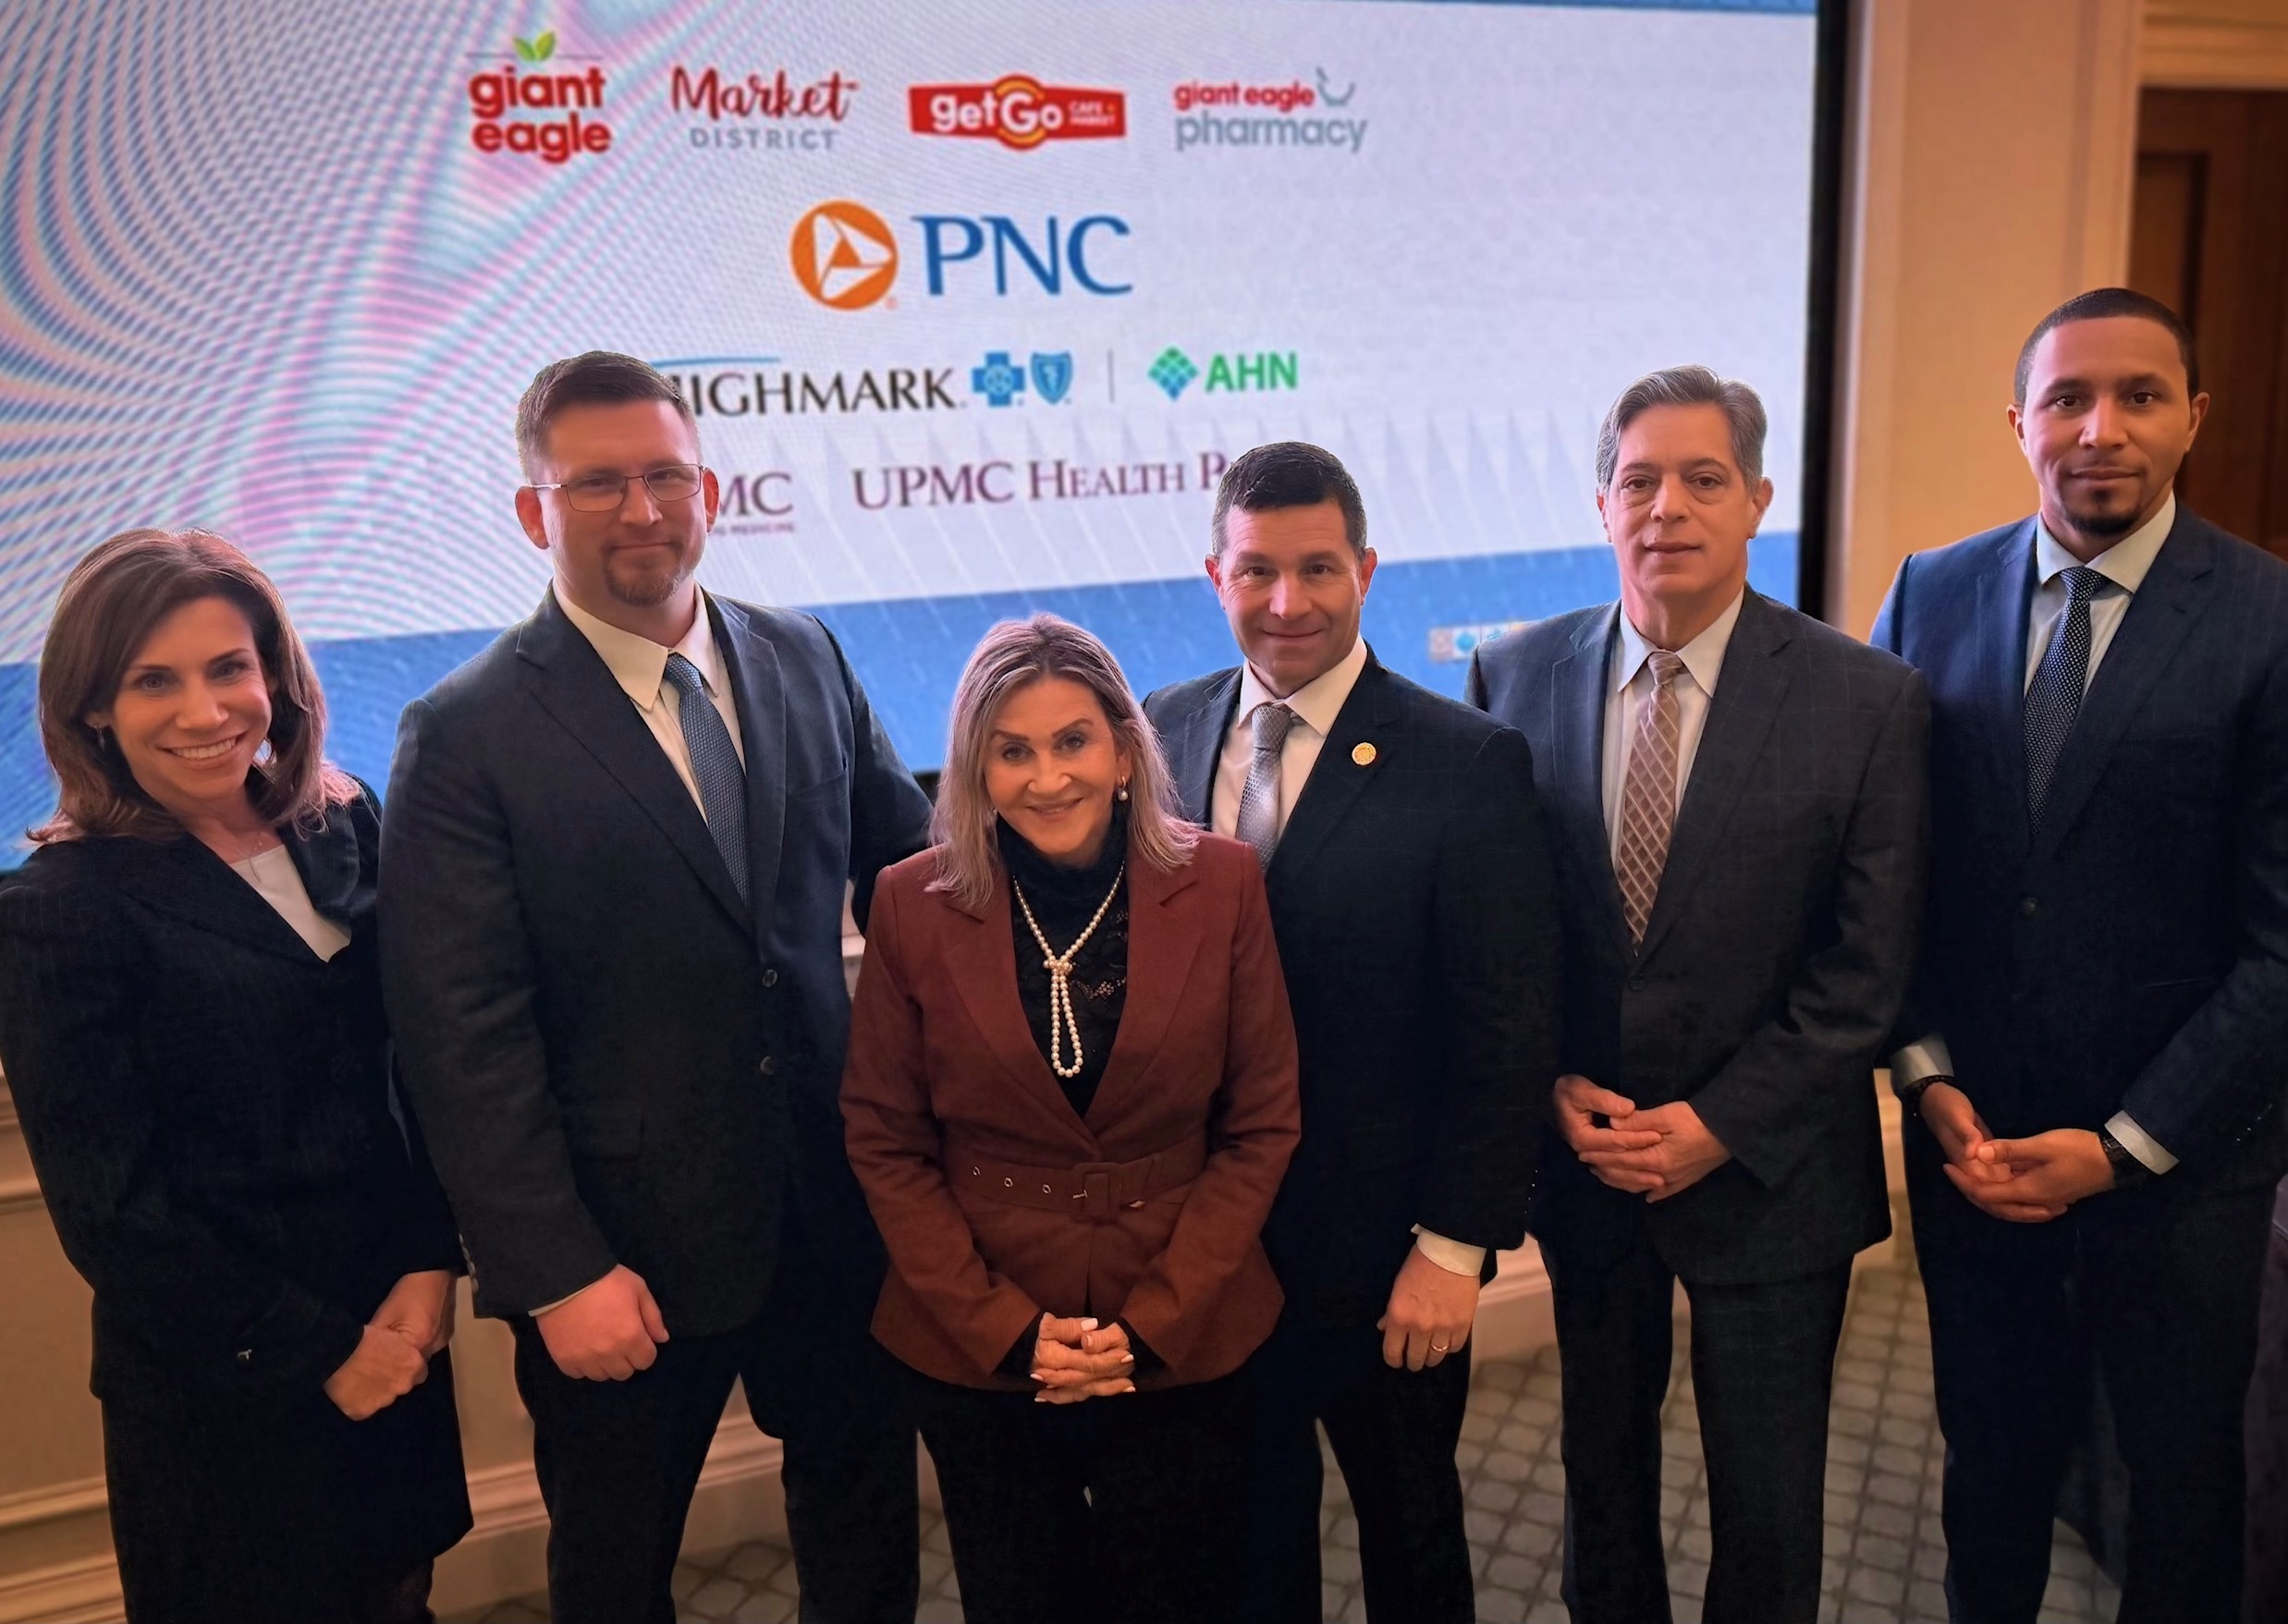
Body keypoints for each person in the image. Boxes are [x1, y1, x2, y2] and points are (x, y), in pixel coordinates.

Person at [378, 352, 933, 1624]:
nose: (640, 510)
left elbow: (911, 886)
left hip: (832, 1214)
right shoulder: (462, 733)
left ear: (710, 490)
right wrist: (555, 1268)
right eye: (598, 484)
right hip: (615, 1254)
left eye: (665, 476)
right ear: (535, 511)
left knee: (862, 1521)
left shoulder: (805, 658)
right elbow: (458, 1034)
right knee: (617, 1564)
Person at [1467, 367, 1929, 1623]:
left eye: (1701, 478)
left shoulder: (1864, 699)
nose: (1664, 505)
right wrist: (1552, 1081)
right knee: (1597, 1482)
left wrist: (1717, 1123)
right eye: (1637, 479)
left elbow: (1865, 967)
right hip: (1590, 1159)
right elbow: (1511, 931)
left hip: (1771, 1171)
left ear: (1756, 499)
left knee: (1768, 1503)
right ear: (1599, 503)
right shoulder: (1511, 676)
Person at [1873, 287, 2288, 1623]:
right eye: (2064, 399)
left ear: (2191, 421)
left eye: (2137, 396)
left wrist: (2116, 1146)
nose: (2098, 428)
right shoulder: (1927, 594)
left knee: (2177, 1495)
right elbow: (1890, 880)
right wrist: (1927, 1083)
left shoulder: (2269, 618)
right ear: (2016, 423)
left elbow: (2281, 948)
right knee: (1986, 1473)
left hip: (2183, 1168)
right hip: (1974, 1149)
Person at [0, 529, 470, 1624]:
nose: (205, 710)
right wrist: (321, 1354)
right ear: (91, 711)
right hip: (228, 1382)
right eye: (152, 680)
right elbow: (115, 1212)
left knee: (399, 1600)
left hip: (395, 1327)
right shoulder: (58, 911)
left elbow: (408, 1071)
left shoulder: (341, 823)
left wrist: (426, 1261)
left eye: (228, 669)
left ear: (276, 678)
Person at [1143, 442, 1562, 1624]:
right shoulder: (1159, 735)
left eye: (1318, 566)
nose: (1288, 602)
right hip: (1212, 1245)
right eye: (1257, 570)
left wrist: (1455, 1246)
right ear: (1212, 575)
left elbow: (1506, 1023)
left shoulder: (1467, 760)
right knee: (1245, 1533)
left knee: (1410, 1534)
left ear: (1367, 568)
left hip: (1388, 1251)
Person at [840, 613, 1301, 1624]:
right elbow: (886, 1137)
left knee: (1184, 1595)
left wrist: (1154, 1321)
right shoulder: (909, 902)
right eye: (1012, 751)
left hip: (1185, 1320)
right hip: (984, 1336)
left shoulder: (1222, 880)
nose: (1047, 777)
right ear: (973, 769)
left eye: (1072, 741)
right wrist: (1008, 1329)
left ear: (1127, 751)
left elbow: (1261, 1122)